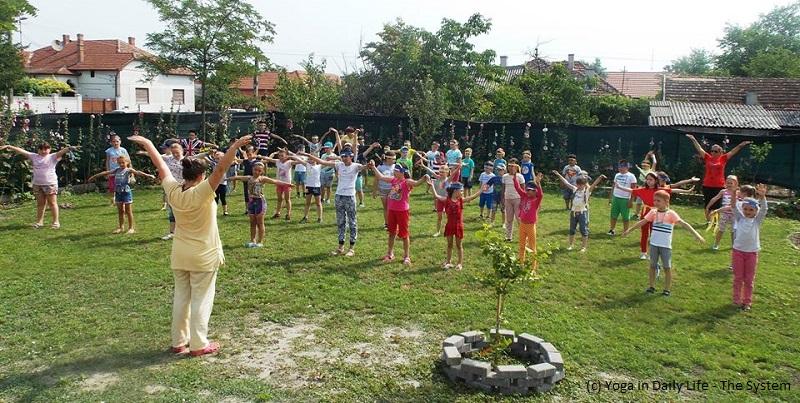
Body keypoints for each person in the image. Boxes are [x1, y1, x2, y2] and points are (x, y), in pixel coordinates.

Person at [127, 133, 251, 357]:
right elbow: (221, 169)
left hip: (180, 254)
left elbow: (160, 165)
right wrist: (235, 146)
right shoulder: (202, 192)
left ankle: (178, 342)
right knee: (201, 300)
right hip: (203, 256)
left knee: (181, 299)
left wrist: (148, 143)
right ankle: (198, 345)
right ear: (202, 175)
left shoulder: (174, 191)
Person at [623, 190, 705, 297]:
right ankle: (651, 286)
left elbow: (684, 224)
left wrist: (696, 234)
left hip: (665, 246)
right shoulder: (653, 212)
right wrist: (630, 230)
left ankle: (666, 289)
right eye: (654, 200)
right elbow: (642, 222)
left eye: (658, 201)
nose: (655, 203)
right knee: (652, 265)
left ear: (666, 202)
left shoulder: (671, 214)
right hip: (653, 244)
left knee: (667, 267)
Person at [301, 148, 369, 256]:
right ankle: (340, 247)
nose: (344, 158)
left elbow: (365, 167)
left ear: (351, 156)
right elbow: (322, 162)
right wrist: (307, 154)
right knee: (341, 222)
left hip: (350, 197)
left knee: (352, 222)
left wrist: (370, 164)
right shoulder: (339, 164)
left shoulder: (356, 166)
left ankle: (351, 248)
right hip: (339, 197)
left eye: (346, 156)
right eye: (342, 156)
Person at [0, 143, 78, 229]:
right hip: (37, 184)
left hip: (50, 184)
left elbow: (61, 152)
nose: (44, 151)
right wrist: (9, 146)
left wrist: (70, 148)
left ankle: (56, 222)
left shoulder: (52, 156)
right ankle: (39, 222)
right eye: (41, 149)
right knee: (40, 204)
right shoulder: (33, 156)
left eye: (46, 149)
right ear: (38, 150)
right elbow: (21, 151)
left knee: (52, 203)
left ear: (50, 149)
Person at [718, 184, 768, 311]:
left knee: (749, 279)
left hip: (752, 253)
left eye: (751, 210)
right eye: (745, 209)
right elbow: (734, 206)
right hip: (738, 252)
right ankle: (736, 299)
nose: (747, 212)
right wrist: (734, 194)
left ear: (756, 211)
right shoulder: (740, 218)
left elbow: (764, 210)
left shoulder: (757, 221)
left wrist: (762, 197)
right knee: (738, 278)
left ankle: (747, 302)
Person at [370, 161, 429, 265]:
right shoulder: (393, 180)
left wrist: (425, 177)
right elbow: (381, 177)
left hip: (402, 212)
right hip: (391, 210)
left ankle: (406, 256)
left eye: (396, 170)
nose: (394, 171)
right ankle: (390, 254)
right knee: (391, 233)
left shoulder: (407, 182)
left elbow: (417, 183)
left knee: (404, 234)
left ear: (402, 172)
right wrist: (374, 167)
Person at [228, 162, 293, 247]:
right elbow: (237, 177)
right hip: (251, 202)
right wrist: (224, 179)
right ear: (252, 169)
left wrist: (288, 184)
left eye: (259, 171)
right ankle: (252, 240)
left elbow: (275, 181)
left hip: (260, 202)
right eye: (255, 170)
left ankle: (260, 241)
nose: (256, 172)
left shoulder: (262, 179)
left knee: (260, 222)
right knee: (252, 222)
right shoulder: (248, 178)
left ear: (261, 171)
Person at [87, 156, 155, 234]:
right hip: (118, 192)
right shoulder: (117, 170)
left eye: (123, 162)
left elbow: (138, 172)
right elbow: (106, 172)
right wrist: (94, 177)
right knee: (120, 211)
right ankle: (121, 227)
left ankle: (131, 228)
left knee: (128, 211)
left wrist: (148, 175)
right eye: (119, 163)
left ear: (127, 162)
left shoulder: (128, 170)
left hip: (126, 192)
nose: (121, 164)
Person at [685, 133, 751, 211]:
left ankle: (715, 221)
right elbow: (699, 149)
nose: (713, 152)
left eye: (715, 151)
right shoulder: (707, 157)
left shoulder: (723, 158)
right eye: (712, 151)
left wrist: (742, 144)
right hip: (707, 184)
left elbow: (733, 151)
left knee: (717, 204)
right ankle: (709, 221)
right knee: (708, 203)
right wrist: (693, 139)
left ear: (720, 152)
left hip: (719, 185)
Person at [428, 181, 481, 270]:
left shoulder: (461, 200)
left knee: (459, 245)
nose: (462, 192)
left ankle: (459, 263)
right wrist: (432, 185)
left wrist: (481, 190)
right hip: (449, 226)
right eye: (461, 191)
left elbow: (472, 197)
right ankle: (448, 262)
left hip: (458, 226)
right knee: (449, 244)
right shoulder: (447, 200)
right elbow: (437, 196)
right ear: (455, 191)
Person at [552, 170, 606, 252]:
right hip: (573, 213)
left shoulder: (587, 192)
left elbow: (594, 185)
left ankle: (583, 247)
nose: (579, 186)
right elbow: (566, 183)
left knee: (583, 230)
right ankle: (570, 245)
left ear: (585, 185)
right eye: (578, 184)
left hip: (582, 213)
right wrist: (558, 174)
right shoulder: (575, 189)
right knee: (572, 229)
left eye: (581, 184)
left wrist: (600, 177)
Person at [511, 171, 544, 266]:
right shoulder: (524, 196)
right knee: (521, 245)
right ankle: (521, 263)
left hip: (530, 225)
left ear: (535, 191)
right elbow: (517, 188)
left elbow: (541, 195)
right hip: (522, 224)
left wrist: (538, 183)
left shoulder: (536, 200)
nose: (529, 191)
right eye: (528, 189)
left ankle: (533, 268)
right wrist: (514, 178)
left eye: (532, 190)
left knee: (532, 247)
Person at [421, 162, 460, 237]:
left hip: (448, 201)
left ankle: (452, 230)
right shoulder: (437, 177)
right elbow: (431, 171)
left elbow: (454, 173)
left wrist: (459, 167)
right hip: (439, 200)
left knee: (450, 217)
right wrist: (423, 165)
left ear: (447, 172)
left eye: (442, 172)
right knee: (439, 217)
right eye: (440, 171)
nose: (440, 173)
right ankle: (438, 231)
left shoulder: (448, 180)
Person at [262, 149, 301, 221]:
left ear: (286, 156)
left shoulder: (289, 162)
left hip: (287, 184)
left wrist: (292, 156)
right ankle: (278, 213)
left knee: (287, 199)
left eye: (282, 156)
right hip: (279, 183)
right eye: (279, 156)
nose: (281, 157)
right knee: (279, 199)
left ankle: (288, 214)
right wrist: (259, 156)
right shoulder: (277, 162)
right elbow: (269, 159)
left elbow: (300, 161)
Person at [706, 175, 740, 251]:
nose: (729, 185)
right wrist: (708, 206)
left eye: (731, 183)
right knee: (721, 230)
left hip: (734, 214)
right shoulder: (723, 191)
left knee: (733, 231)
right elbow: (715, 198)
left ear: (736, 184)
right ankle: (716, 244)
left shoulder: (738, 193)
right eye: (727, 183)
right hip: (724, 213)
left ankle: (734, 245)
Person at [290, 153, 323, 223]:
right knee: (307, 203)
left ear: (316, 159)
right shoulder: (307, 165)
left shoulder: (319, 166)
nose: (311, 160)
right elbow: (298, 159)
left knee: (318, 203)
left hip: (316, 187)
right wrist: (291, 155)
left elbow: (328, 163)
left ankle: (320, 218)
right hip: (308, 187)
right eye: (310, 159)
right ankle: (305, 217)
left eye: (313, 159)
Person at [607, 160, 638, 235]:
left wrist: (631, 201)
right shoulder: (617, 175)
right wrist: (611, 198)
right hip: (616, 198)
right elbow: (614, 186)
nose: (620, 168)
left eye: (622, 166)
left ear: (627, 167)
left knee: (625, 217)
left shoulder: (631, 176)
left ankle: (626, 231)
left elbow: (634, 190)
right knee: (613, 215)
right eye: (619, 166)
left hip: (625, 199)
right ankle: (612, 230)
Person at [502, 159, 526, 241]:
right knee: (509, 219)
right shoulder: (505, 176)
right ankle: (508, 237)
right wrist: (502, 200)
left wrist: (523, 201)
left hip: (517, 199)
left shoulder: (520, 176)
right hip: (508, 199)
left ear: (516, 167)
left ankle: (524, 237)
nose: (511, 168)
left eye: (513, 166)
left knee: (519, 218)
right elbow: (503, 189)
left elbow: (523, 189)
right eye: (509, 166)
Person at [105, 134, 131, 205]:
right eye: (113, 141)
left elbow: (128, 160)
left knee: (121, 185)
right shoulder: (109, 151)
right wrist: (108, 172)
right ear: (111, 142)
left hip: (122, 172)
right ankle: (112, 199)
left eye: (117, 141)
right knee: (112, 186)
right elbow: (107, 161)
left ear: (120, 141)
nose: (115, 143)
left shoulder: (123, 150)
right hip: (113, 171)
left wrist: (129, 170)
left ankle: (123, 198)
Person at [375, 152, 398, 228]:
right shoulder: (380, 167)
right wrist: (375, 190)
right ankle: (387, 223)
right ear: (387, 159)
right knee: (386, 207)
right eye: (392, 159)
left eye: (395, 159)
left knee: (392, 207)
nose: (394, 160)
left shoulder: (396, 167)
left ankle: (393, 222)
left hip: (393, 189)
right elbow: (376, 179)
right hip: (383, 189)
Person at [633, 152, 657, 218]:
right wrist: (647, 155)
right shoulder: (642, 169)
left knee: (646, 203)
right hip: (641, 187)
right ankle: (636, 214)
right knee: (638, 202)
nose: (644, 165)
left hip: (647, 188)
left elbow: (655, 163)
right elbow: (645, 160)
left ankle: (648, 214)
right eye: (643, 164)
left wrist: (653, 156)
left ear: (649, 165)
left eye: (646, 165)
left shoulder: (651, 170)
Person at [209, 151, 231, 216]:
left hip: (223, 183)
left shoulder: (224, 164)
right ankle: (214, 211)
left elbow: (231, 161)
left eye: (219, 158)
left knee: (223, 198)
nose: (217, 160)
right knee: (215, 198)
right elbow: (207, 159)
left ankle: (225, 211)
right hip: (215, 183)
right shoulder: (213, 164)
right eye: (216, 158)